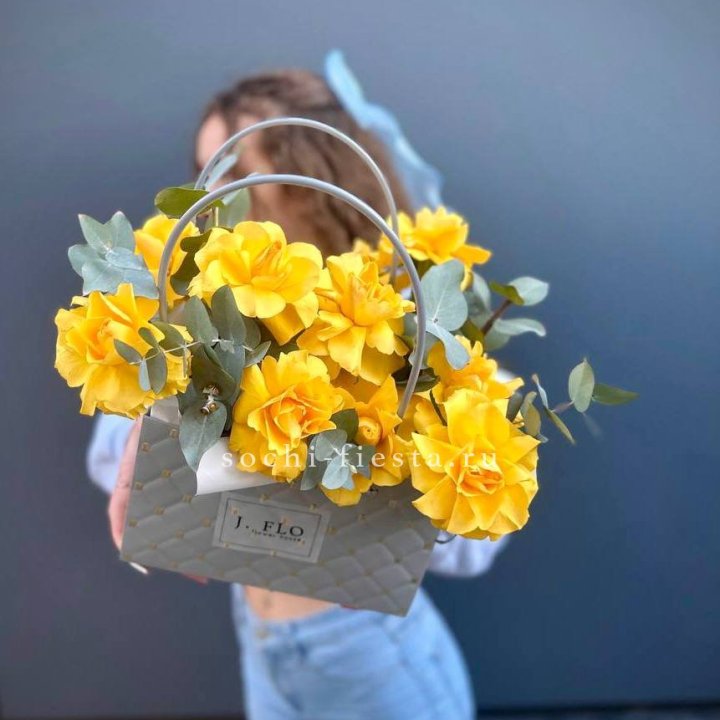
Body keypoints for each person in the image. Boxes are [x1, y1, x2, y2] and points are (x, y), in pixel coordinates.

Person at [88, 53, 508, 720]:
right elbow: (106, 457)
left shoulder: (412, 328)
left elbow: (475, 548)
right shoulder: (193, 318)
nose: (216, 197)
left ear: (314, 179)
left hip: (368, 654)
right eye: (208, 171)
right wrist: (170, 416)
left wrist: (366, 469)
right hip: (261, 642)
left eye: (240, 173)